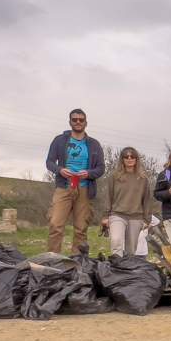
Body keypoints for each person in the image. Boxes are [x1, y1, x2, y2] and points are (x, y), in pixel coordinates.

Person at [45, 108, 105, 254]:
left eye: (81, 120)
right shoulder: (59, 140)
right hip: (64, 187)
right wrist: (60, 170)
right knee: (55, 224)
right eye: (75, 119)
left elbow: (101, 168)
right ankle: (53, 260)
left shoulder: (94, 144)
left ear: (86, 122)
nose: (78, 122)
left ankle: (77, 261)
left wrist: (89, 173)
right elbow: (49, 162)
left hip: (85, 188)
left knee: (81, 228)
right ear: (70, 122)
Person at [100, 147, 154, 256]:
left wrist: (147, 219)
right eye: (126, 157)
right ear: (122, 159)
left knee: (131, 250)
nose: (129, 159)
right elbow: (108, 196)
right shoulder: (114, 177)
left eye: (132, 157)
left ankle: (126, 270)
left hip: (136, 217)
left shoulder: (143, 179)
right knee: (116, 241)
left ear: (136, 159)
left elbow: (147, 200)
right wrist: (105, 216)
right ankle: (116, 266)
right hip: (117, 214)